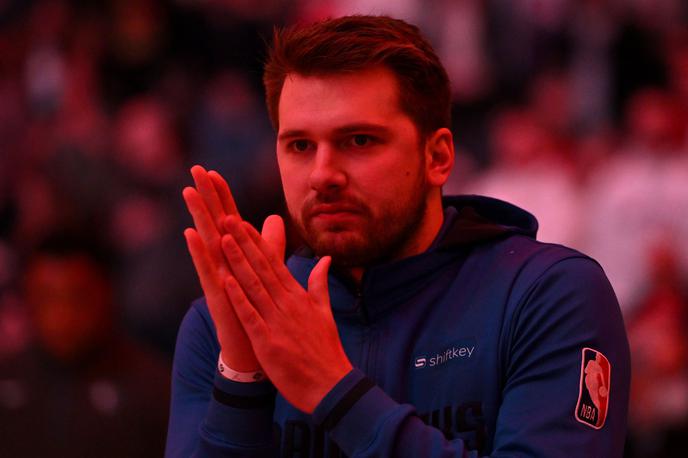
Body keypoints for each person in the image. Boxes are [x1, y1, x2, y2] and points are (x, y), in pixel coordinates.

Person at [166, 15, 630, 457]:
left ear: (439, 156)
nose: (322, 174)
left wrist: (336, 390)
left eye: (360, 140)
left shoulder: (546, 294)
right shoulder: (220, 328)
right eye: (301, 146)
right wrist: (242, 381)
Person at [0, 233, 170, 457]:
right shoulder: (7, 377)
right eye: (46, 297)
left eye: (78, 297)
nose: (61, 315)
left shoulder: (156, 389)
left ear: (107, 293)